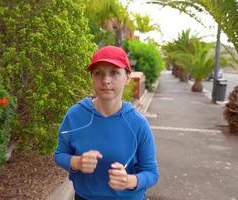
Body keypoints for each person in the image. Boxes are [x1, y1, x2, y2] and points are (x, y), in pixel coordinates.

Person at [54, 46, 159, 200]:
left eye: (114, 72)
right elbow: (59, 154)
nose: (105, 80)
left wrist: (130, 181)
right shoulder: (75, 115)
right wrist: (76, 162)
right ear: (92, 77)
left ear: (127, 77)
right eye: (98, 73)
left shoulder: (138, 123)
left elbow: (151, 173)